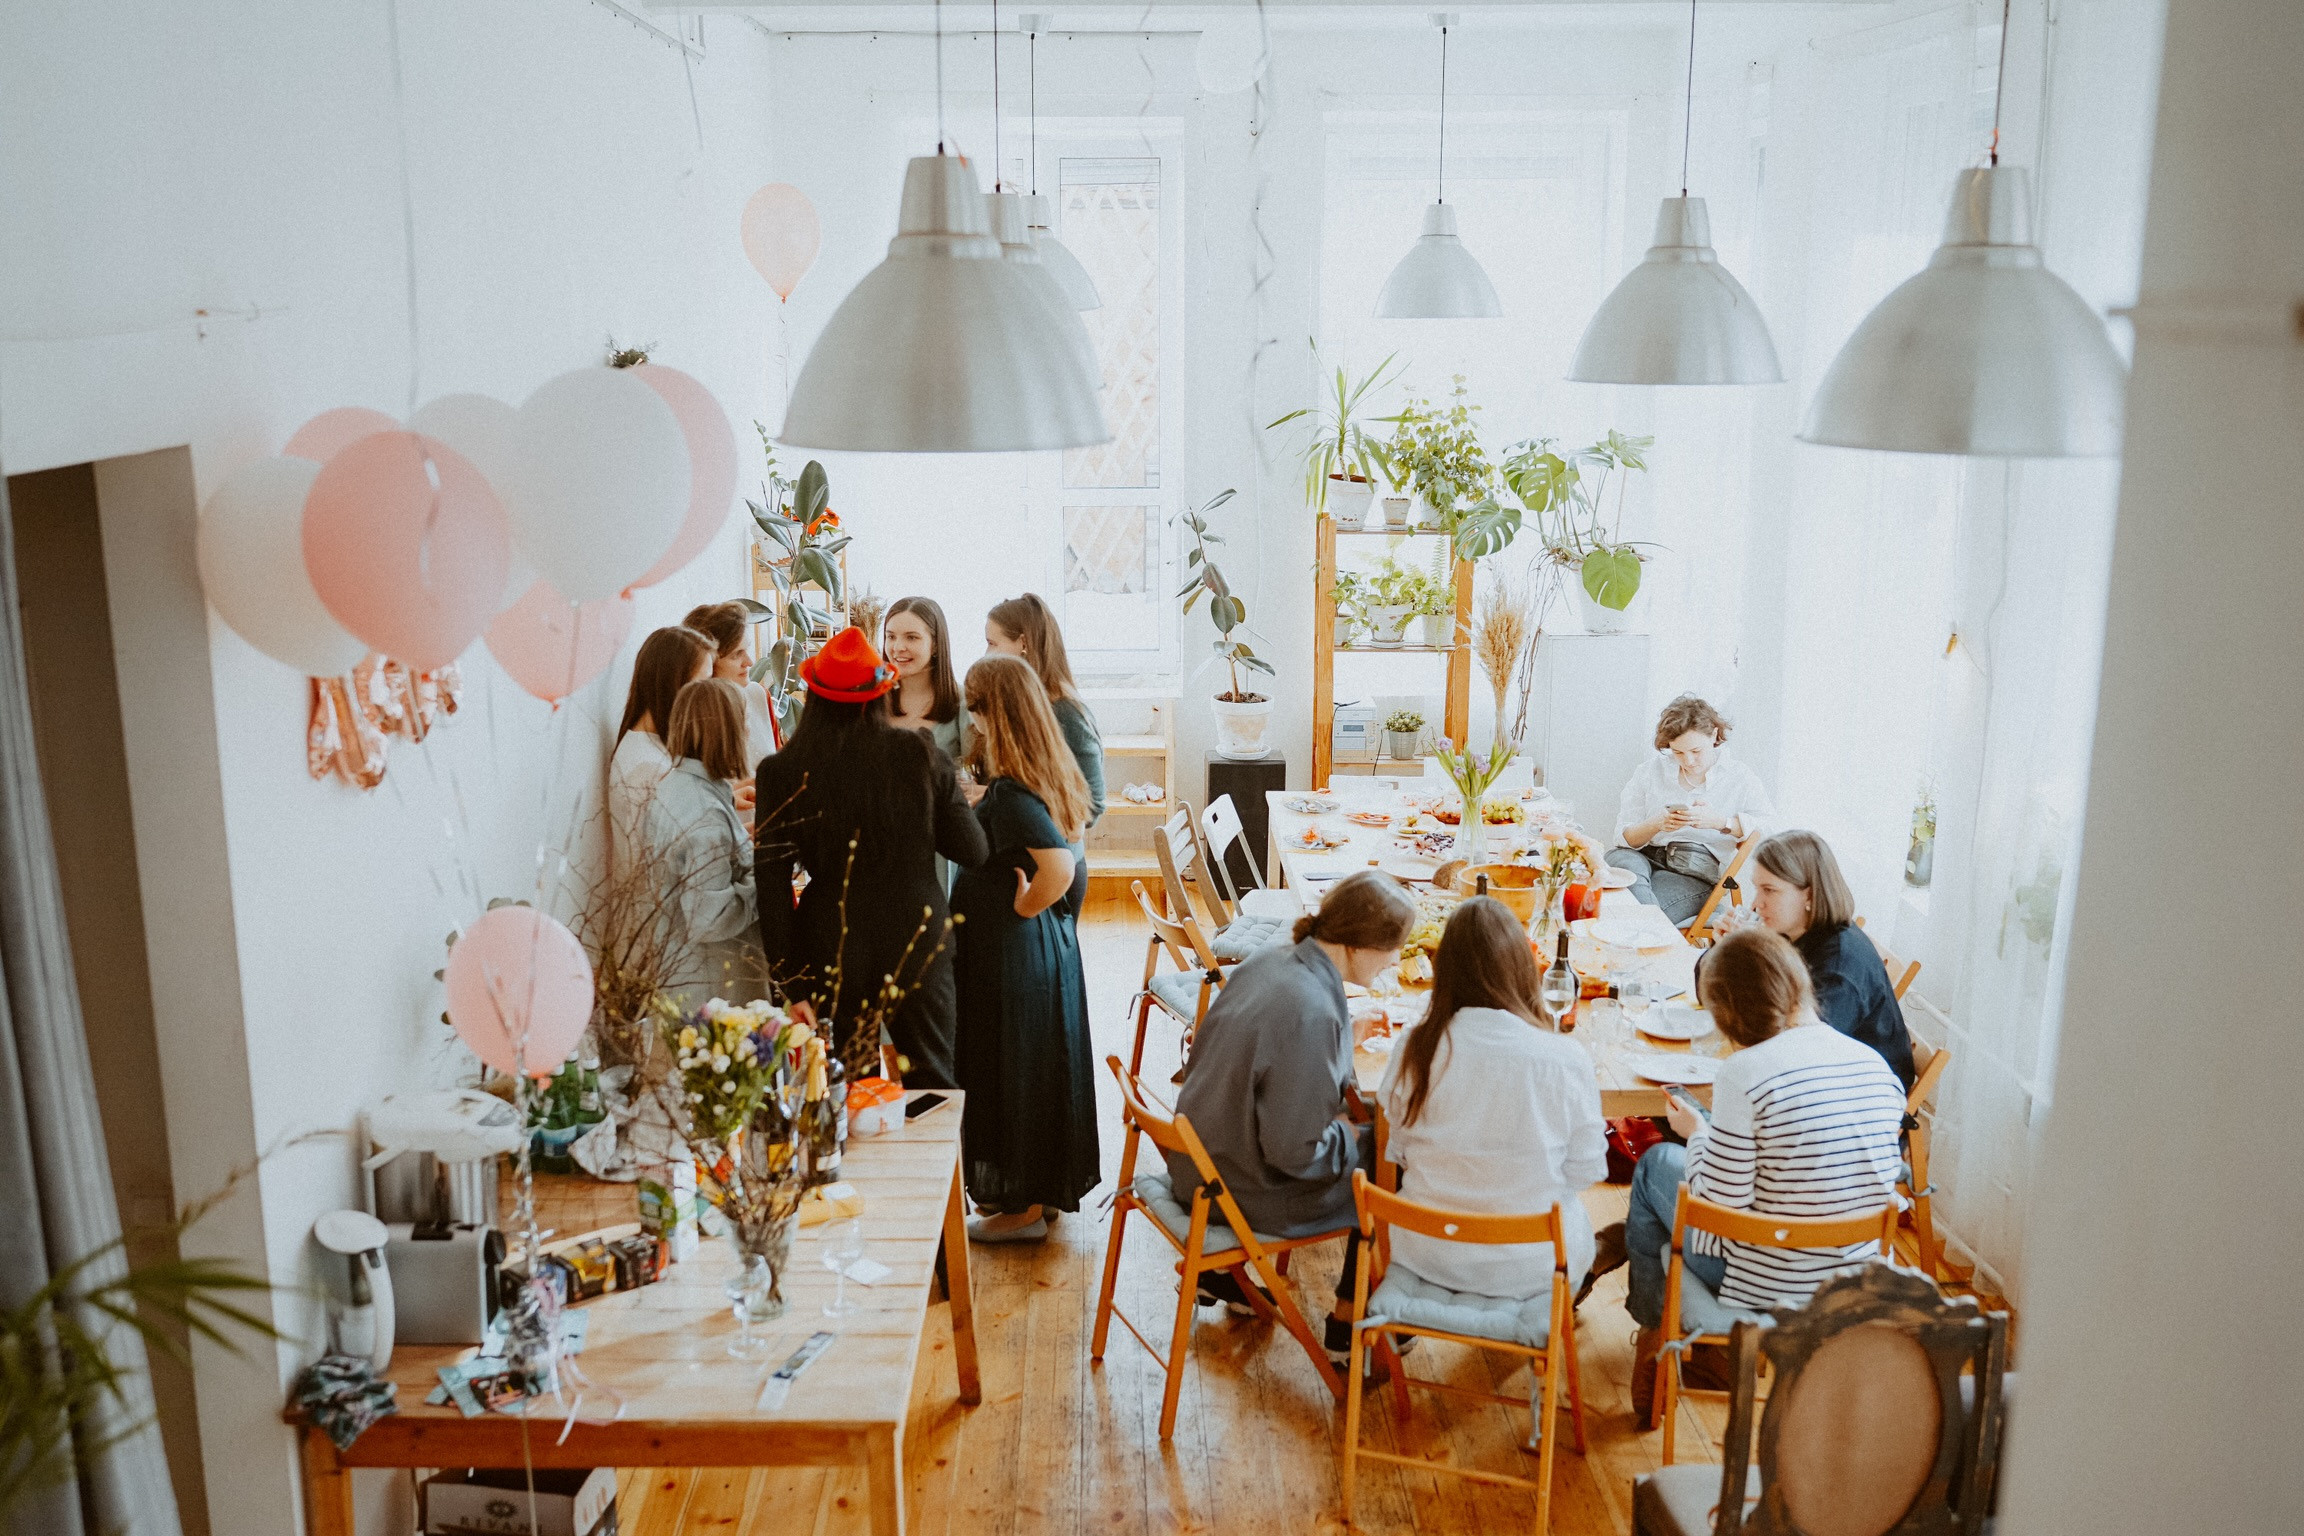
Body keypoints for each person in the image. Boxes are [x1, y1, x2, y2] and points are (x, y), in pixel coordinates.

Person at [1616, 927, 1906, 1426]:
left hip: (1769, 1281)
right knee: (1676, 1182)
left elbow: (1717, 1207)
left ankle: (1655, 1332)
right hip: (1853, 1279)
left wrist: (1698, 1134)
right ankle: (1680, 1340)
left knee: (1655, 1167)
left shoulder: (1744, 1071)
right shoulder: (1878, 1068)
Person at [1166, 870, 1415, 1362]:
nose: (1396, 959)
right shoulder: (1312, 1009)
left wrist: (1344, 1036)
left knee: (1373, 1129)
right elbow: (1295, 1153)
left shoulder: (1273, 960)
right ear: (1357, 945)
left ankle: (1220, 1273)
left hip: (1197, 1159)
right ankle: (1348, 1325)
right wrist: (1347, 1134)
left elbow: (1271, 1062)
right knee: (1397, 1154)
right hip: (1239, 1187)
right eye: (1393, 948)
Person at [753, 628, 988, 1090]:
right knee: (932, 1083)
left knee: (851, 1088)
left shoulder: (779, 772)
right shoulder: (921, 755)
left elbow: (771, 888)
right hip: (916, 938)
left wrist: (791, 983)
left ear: (813, 696)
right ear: (880, 694)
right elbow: (972, 850)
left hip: (833, 945)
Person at [1377, 897, 1608, 1300]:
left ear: (1444, 970)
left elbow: (1399, 1152)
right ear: (1523, 970)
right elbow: (1587, 1172)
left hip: (1428, 1253)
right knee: (1578, 1217)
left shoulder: (1415, 1047)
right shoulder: (1565, 1057)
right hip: (1535, 1264)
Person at [951, 654, 1099, 1241]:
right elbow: (1073, 834)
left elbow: (1059, 867)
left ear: (991, 713)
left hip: (1013, 952)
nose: (970, 717)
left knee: (1011, 1066)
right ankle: (1036, 1195)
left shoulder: (1013, 792)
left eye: (974, 706)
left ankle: (1024, 1211)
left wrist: (1022, 906)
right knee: (1034, 1063)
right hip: (1038, 949)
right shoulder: (1045, 772)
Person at [1699, 830, 1914, 1089]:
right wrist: (1724, 952)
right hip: (1802, 1074)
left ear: (1809, 896)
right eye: (1757, 888)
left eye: (1769, 890)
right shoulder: (1791, 931)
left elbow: (1796, 1055)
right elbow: (1708, 997)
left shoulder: (1838, 968)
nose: (1756, 904)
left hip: (1857, 1095)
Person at [647, 678, 768, 1007]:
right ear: (728, 732)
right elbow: (710, 918)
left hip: (683, 975)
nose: (748, 732)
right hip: (713, 990)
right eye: (743, 722)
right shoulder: (705, 813)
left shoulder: (674, 786)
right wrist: (766, 875)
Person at [1608, 694, 1775, 925]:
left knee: (1621, 907)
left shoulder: (1739, 777)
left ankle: (1644, 925)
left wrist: (1719, 822)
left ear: (1714, 735)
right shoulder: (1650, 772)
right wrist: (1656, 824)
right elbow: (1624, 837)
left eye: (1696, 751)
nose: (1688, 761)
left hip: (1691, 873)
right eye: (1678, 752)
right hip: (1641, 857)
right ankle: (1648, 925)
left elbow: (1768, 828)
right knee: (1619, 860)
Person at [986, 594, 1103, 915]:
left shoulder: (1066, 712)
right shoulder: (1018, 703)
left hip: (1053, 871)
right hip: (1020, 866)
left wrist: (1012, 802)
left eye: (992, 643)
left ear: (1023, 644)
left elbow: (1091, 806)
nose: (987, 654)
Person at [609, 626, 715, 860]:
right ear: (672, 684)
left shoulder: (650, 747)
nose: (707, 697)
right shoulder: (649, 768)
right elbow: (662, 866)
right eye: (702, 685)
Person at [682, 601, 779, 770]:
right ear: (707, 662)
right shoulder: (689, 718)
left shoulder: (759, 695)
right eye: (736, 655)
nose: (749, 662)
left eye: (746, 650)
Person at [883, 596, 970, 764]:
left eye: (911, 637)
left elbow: (977, 773)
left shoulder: (964, 701)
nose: (898, 647)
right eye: (891, 637)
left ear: (935, 644)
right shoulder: (871, 699)